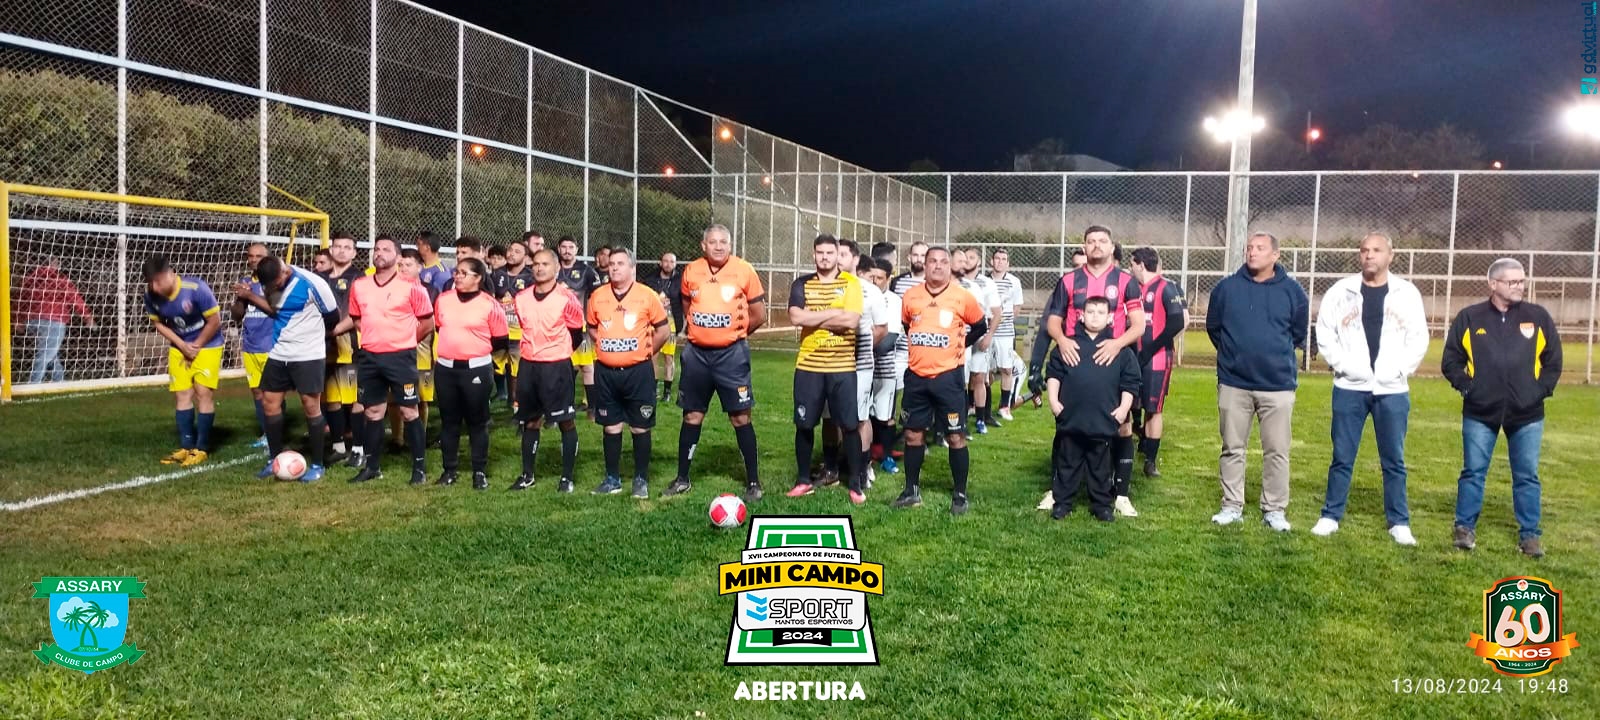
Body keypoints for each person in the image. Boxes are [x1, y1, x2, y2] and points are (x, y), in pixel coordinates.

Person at [1309, 233, 1429, 545]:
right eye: (1364, 250)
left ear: (1391, 255)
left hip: (1392, 390)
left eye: (1376, 250)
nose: (1369, 255)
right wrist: (1344, 366)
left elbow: (1418, 338)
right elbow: (1325, 333)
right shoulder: (1341, 291)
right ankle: (1330, 516)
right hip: (1350, 387)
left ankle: (1399, 522)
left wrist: (1399, 370)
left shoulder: (1406, 293)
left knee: (1394, 460)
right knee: (1342, 456)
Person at [1442, 258, 1562, 558]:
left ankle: (1530, 535)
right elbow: (1451, 361)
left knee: (1527, 476)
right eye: (1512, 282)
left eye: (1522, 281)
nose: (1519, 286)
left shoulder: (1538, 317)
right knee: (1473, 472)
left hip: (1527, 415)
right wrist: (1469, 388)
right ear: (1493, 283)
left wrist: (1537, 392)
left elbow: (1553, 362)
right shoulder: (1470, 318)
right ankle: (1464, 528)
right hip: (1480, 413)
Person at [1039, 226, 1147, 517]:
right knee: (1067, 425)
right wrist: (1062, 341)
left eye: (1102, 241)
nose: (1096, 245)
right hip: (1076, 357)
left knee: (1122, 425)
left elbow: (1138, 325)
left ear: (1112, 247)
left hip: (1114, 362)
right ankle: (1059, 490)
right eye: (1091, 241)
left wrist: (1116, 344)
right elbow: (1053, 321)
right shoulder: (1069, 280)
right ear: (1084, 247)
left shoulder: (1126, 281)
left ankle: (1119, 494)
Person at [1206, 231, 1308, 531]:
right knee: (1232, 447)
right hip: (1234, 383)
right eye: (1249, 247)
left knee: (1277, 451)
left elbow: (1298, 333)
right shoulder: (1226, 289)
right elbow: (1214, 328)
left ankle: (1274, 509)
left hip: (1277, 386)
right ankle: (1231, 505)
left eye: (1260, 248)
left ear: (1276, 255)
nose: (1252, 252)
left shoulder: (1293, 292)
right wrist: (1234, 356)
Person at [665, 224, 768, 503]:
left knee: (740, 417)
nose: (719, 246)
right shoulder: (691, 271)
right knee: (692, 415)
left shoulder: (744, 270)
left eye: (724, 242)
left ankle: (754, 482)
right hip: (696, 356)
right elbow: (688, 306)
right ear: (703, 245)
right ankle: (682, 479)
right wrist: (704, 332)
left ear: (730, 245)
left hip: (731, 356)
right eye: (713, 242)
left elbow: (759, 314)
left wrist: (734, 334)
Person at [894, 247, 987, 515]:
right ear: (925, 265)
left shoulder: (962, 297)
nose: (938, 266)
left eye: (943, 262)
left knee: (955, 435)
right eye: (932, 261)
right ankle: (911, 490)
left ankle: (960, 494)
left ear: (950, 267)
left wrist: (960, 345)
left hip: (949, 377)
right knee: (913, 434)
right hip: (916, 376)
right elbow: (907, 326)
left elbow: (980, 326)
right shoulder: (910, 296)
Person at [234, 255, 339, 482]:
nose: (276, 287)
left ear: (284, 270)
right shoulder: (269, 284)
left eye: (278, 283)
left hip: (308, 355)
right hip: (279, 352)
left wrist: (311, 337)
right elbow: (276, 311)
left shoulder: (313, 283)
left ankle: (318, 464)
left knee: (310, 406)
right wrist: (251, 297)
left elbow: (333, 317)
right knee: (269, 403)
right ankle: (274, 459)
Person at [344, 236, 436, 485]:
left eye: (386, 249)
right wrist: (375, 337)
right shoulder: (360, 285)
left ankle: (419, 468)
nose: (379, 252)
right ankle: (372, 467)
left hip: (401, 357)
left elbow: (427, 322)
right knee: (373, 411)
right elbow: (356, 318)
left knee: (409, 410)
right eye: (376, 249)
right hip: (369, 357)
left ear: (397, 256)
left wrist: (405, 340)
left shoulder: (412, 287)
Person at [784, 235, 866, 503]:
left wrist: (813, 317)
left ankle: (855, 484)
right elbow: (795, 316)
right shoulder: (802, 284)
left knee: (850, 425)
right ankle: (803, 480)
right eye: (820, 252)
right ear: (813, 254)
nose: (825, 257)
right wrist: (833, 313)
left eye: (830, 253)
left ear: (837, 254)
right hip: (809, 366)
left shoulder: (851, 283)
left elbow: (851, 321)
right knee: (804, 424)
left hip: (842, 366)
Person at [1047, 297, 1141, 522]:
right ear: (1081, 315)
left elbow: (1130, 383)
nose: (1095, 316)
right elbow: (1054, 374)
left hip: (1103, 420)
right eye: (1090, 311)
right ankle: (1062, 503)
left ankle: (1101, 505)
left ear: (1110, 318)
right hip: (1072, 418)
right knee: (1067, 463)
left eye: (1100, 312)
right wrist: (1054, 402)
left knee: (1101, 466)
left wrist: (1123, 409)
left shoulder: (1119, 350)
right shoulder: (1068, 346)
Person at [587, 247, 670, 497]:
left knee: (639, 426)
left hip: (638, 373)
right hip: (606, 373)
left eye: (620, 263)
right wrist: (607, 346)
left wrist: (646, 352)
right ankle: (612, 479)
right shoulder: (597, 296)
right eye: (612, 263)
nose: (614, 267)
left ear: (632, 268)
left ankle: (640, 479)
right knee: (611, 426)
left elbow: (663, 331)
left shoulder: (647, 296)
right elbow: (592, 328)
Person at [510, 248, 585, 492]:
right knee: (530, 421)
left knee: (565, 421)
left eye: (545, 264)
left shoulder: (567, 298)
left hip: (557, 366)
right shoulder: (521, 298)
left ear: (556, 268)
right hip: (529, 366)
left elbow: (576, 333)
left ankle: (567, 477)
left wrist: (557, 352)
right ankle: (527, 475)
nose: (539, 268)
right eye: (536, 264)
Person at [432, 256, 509, 490]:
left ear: (478, 278)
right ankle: (449, 470)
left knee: (477, 422)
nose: (457, 276)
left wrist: (474, 350)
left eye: (463, 273)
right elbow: (440, 328)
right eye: (456, 272)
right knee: (449, 422)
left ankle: (479, 471)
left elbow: (500, 340)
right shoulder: (443, 300)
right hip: (446, 369)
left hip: (476, 369)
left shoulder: (489, 304)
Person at [142, 255, 222, 466]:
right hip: (180, 346)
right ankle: (186, 446)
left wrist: (195, 346)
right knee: (182, 394)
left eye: (158, 281)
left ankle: (201, 448)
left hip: (208, 344)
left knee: (203, 392)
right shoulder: (150, 295)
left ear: (170, 273)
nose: (155, 286)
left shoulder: (196, 288)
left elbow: (215, 321)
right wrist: (181, 344)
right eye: (150, 282)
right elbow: (158, 324)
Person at [1128, 247, 1188, 479]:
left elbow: (1176, 322)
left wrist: (1150, 349)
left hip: (1157, 357)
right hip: (1132, 356)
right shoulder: (1133, 288)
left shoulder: (1166, 287)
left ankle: (1150, 462)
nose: (1130, 268)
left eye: (1132, 264)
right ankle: (1126, 451)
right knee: (1129, 403)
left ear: (1141, 265)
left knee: (1153, 408)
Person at [320, 232, 367, 467]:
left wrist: (334, 330)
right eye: (337, 246)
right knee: (331, 398)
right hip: (325, 348)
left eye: (347, 247)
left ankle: (358, 448)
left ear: (354, 253)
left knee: (355, 399)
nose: (341, 250)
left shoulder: (358, 278)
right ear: (331, 249)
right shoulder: (320, 278)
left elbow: (357, 313)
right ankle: (338, 446)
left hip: (351, 347)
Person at [18, 255, 94, 385]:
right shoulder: (60, 279)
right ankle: (34, 383)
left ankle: (59, 380)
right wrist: (87, 316)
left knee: (50, 352)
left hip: (32, 321)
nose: (59, 265)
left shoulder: (30, 279)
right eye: (57, 263)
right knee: (46, 353)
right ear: (53, 264)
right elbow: (75, 298)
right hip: (54, 320)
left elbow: (21, 299)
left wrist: (18, 319)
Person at [232, 242, 275, 450]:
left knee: (272, 393)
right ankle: (266, 433)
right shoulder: (246, 282)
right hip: (250, 345)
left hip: (271, 346)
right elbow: (236, 316)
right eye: (250, 256)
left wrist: (250, 296)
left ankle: (276, 433)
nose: (254, 259)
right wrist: (241, 298)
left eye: (259, 256)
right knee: (257, 392)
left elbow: (275, 310)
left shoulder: (275, 282)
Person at [393, 249, 436, 443]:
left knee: (421, 397)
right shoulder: (391, 289)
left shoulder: (431, 291)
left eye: (408, 265)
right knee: (394, 397)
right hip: (395, 350)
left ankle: (419, 436)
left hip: (422, 351)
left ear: (420, 267)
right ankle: (398, 438)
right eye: (400, 265)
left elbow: (432, 323)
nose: (403, 268)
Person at [956, 248, 1000, 434]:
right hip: (961, 336)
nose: (967, 261)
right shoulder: (956, 284)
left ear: (979, 261)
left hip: (979, 334)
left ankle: (982, 418)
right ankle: (962, 419)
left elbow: (995, 312)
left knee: (980, 377)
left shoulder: (984, 284)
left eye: (971, 257)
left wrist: (988, 335)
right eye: (964, 258)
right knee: (963, 379)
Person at [555, 236, 601, 412]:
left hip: (579, 327)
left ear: (577, 249)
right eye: (564, 247)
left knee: (587, 366)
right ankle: (564, 404)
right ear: (559, 248)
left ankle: (593, 406)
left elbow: (598, 297)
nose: (567, 250)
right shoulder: (552, 269)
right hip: (556, 327)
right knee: (561, 367)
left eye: (571, 247)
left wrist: (592, 320)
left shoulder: (586, 271)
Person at [867, 257, 903, 474]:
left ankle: (887, 456)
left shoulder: (894, 301)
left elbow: (890, 338)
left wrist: (866, 348)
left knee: (885, 415)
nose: (874, 282)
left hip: (884, 368)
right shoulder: (862, 295)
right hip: (861, 367)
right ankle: (867, 453)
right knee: (864, 414)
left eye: (879, 278)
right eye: (871, 277)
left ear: (888, 279)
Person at [491, 240, 534, 408]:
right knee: (492, 367)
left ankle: (516, 407)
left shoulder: (530, 276)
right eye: (510, 250)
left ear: (526, 257)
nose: (511, 253)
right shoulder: (497, 273)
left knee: (517, 371)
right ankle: (486, 403)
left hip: (519, 333)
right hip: (499, 331)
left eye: (517, 251)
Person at [642, 251, 684, 401]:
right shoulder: (650, 279)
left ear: (675, 264)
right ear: (660, 262)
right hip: (653, 323)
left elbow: (684, 301)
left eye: (672, 262)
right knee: (653, 357)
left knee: (669, 358)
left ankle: (667, 391)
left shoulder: (680, 280)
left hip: (671, 323)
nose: (668, 264)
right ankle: (653, 389)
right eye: (666, 261)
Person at [988, 248, 1024, 422]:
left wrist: (1004, 320)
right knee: (983, 370)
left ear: (1008, 264)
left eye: (1003, 259)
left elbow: (1017, 308)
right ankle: (978, 406)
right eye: (997, 258)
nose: (1000, 261)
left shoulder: (1014, 282)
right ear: (991, 261)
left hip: (1005, 334)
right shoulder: (984, 281)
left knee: (1007, 369)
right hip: (987, 332)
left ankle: (1004, 406)